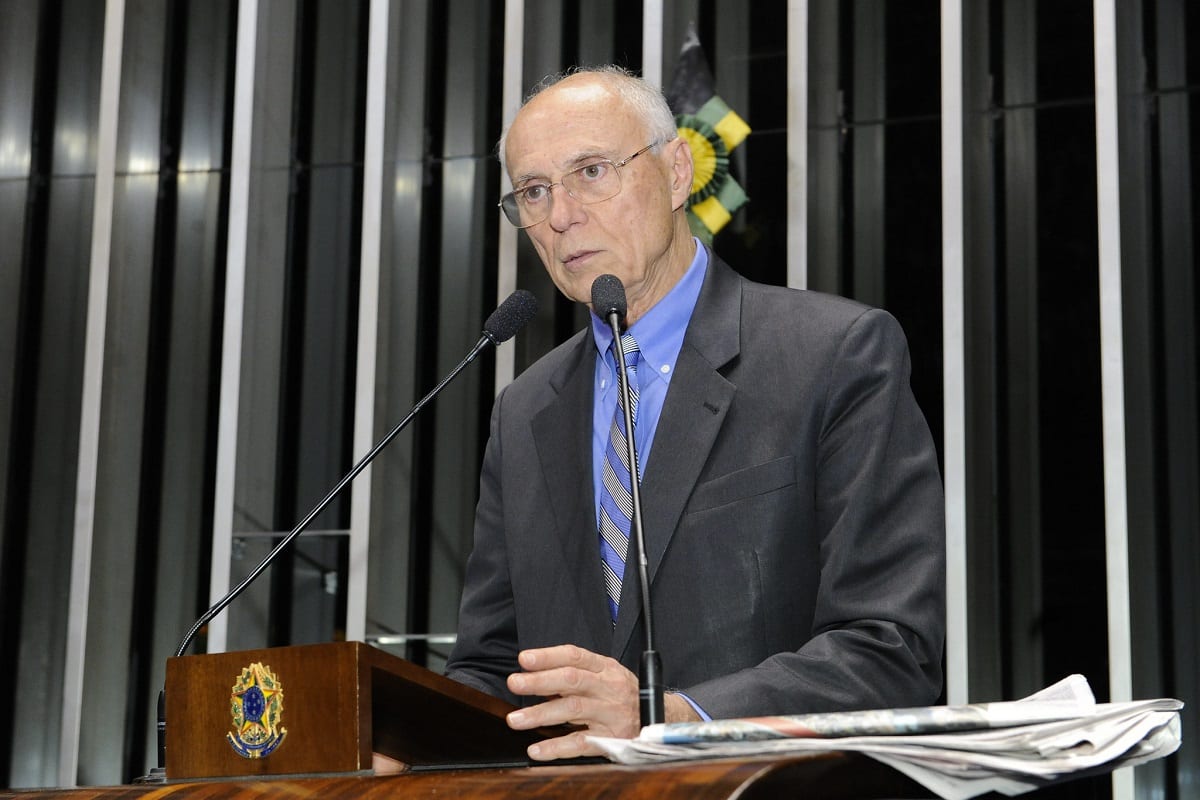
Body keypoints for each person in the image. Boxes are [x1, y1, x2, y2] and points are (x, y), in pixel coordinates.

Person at [445, 65, 945, 761]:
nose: (560, 217)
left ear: (677, 171)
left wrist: (672, 716)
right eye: (534, 191)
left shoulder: (833, 357)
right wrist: (406, 735)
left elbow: (891, 650)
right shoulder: (525, 410)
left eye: (591, 171)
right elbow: (492, 666)